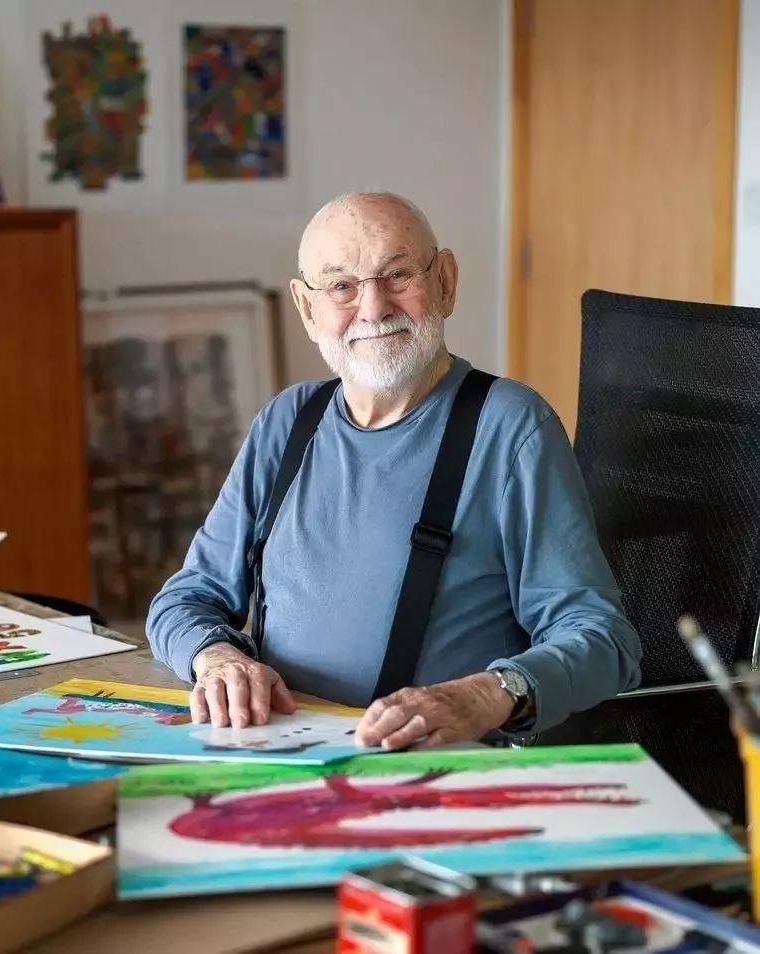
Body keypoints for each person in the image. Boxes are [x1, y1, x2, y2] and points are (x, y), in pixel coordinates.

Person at [147, 192, 642, 750]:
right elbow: (185, 599)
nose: (374, 307)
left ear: (446, 282)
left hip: (428, 771)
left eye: (398, 274)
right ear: (308, 310)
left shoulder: (510, 426)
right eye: (341, 286)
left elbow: (603, 640)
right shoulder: (287, 422)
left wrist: (480, 697)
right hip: (278, 753)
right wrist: (216, 660)